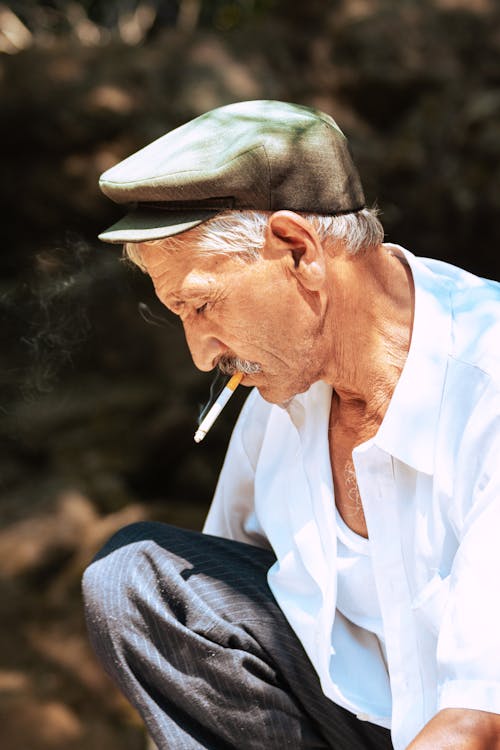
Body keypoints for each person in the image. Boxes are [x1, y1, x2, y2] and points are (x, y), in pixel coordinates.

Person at [82, 100, 500, 750]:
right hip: (367, 724)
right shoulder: (281, 401)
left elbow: (480, 722)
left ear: (300, 251)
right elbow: (198, 644)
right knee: (138, 580)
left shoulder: (487, 382)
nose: (201, 355)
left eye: (201, 305)